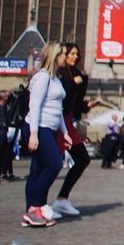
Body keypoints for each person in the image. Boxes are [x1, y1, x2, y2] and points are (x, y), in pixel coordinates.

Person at [22, 42, 70, 227]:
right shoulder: (42, 77)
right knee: (54, 164)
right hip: (38, 127)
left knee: (37, 170)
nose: (66, 57)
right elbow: (35, 105)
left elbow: (57, 110)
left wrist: (64, 132)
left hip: (49, 127)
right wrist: (33, 133)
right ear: (55, 55)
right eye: (64, 53)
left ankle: (32, 212)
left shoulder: (55, 78)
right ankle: (36, 207)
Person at [51, 42, 93, 218]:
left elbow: (76, 103)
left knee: (82, 159)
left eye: (77, 54)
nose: (75, 57)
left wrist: (86, 106)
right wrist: (73, 83)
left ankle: (61, 199)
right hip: (56, 120)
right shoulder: (58, 73)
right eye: (71, 53)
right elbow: (60, 95)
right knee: (50, 164)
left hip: (68, 120)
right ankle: (37, 205)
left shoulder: (78, 75)